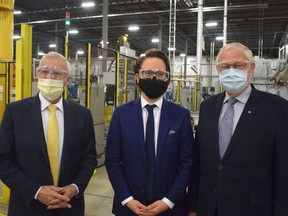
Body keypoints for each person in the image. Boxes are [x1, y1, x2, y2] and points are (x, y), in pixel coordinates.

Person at [188, 42, 288, 216]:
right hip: (209, 208)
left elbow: (283, 170)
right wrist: (193, 207)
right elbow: (199, 160)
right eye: (225, 66)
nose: (231, 71)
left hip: (253, 209)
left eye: (238, 65)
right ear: (218, 70)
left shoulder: (276, 108)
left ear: (251, 68)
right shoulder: (208, 106)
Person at [0, 51, 97, 216]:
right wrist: (36, 191)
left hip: (68, 206)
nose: (49, 77)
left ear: (68, 81)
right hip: (27, 207)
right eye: (44, 71)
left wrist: (74, 188)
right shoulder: (15, 112)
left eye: (57, 73)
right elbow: (3, 161)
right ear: (37, 74)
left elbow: (89, 159)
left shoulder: (82, 115)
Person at [105, 48, 194, 216]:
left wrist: (168, 201)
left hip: (170, 208)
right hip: (129, 208)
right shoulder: (121, 114)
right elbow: (112, 161)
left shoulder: (180, 115)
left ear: (167, 79)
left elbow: (186, 163)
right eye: (148, 73)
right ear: (137, 77)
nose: (154, 78)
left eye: (160, 74)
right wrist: (127, 199)